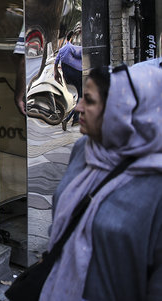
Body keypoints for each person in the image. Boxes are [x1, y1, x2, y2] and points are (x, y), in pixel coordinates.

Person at [40, 64, 162, 300]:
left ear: (122, 110)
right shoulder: (84, 149)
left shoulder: (155, 182)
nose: (78, 108)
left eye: (90, 101)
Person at [53, 29, 82, 128]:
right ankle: (69, 119)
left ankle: (76, 119)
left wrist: (56, 74)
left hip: (69, 76)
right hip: (78, 74)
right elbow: (79, 54)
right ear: (72, 37)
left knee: (80, 96)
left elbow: (56, 62)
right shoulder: (71, 47)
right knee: (81, 97)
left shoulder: (62, 50)